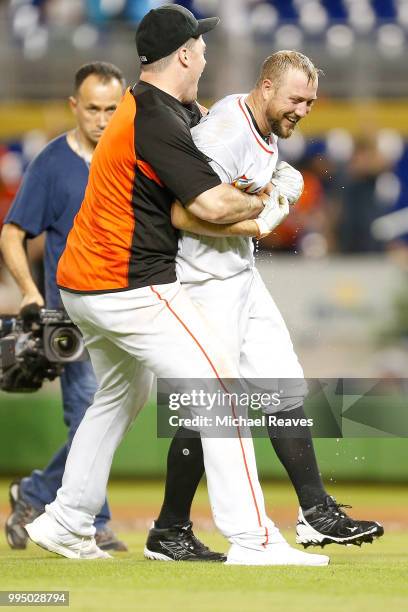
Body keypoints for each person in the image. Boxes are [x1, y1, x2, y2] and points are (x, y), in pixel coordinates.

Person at [24, 5, 329, 566]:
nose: (207, 53)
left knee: (118, 396)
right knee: (222, 394)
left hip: (83, 284)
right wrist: (272, 198)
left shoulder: (161, 106)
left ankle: (66, 519)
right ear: (185, 54)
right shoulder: (154, 118)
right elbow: (209, 203)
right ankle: (254, 539)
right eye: (201, 46)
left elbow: (208, 149)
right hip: (126, 283)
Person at [144, 50, 384, 560]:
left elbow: (252, 187)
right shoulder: (225, 132)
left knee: (282, 383)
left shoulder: (263, 128)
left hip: (239, 274)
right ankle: (169, 530)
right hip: (204, 280)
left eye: (311, 102)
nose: (303, 109)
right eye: (296, 98)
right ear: (267, 86)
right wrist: (260, 216)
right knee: (211, 406)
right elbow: (183, 215)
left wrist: (274, 190)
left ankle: (316, 512)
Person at [0, 62, 128, 552]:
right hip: (69, 314)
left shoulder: (133, 158)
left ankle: (33, 491)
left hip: (126, 310)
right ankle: (95, 521)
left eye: (111, 109)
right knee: (87, 412)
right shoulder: (52, 164)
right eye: (92, 108)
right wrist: (30, 293)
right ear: (74, 106)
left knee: (110, 417)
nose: (101, 118)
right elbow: (13, 234)